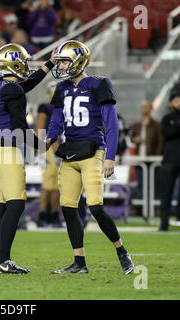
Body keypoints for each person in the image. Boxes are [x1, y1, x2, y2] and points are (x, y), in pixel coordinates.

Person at [46, 40, 134, 275]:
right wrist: (48, 139)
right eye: (61, 61)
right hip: (69, 152)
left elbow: (112, 124)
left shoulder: (99, 84)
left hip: (93, 152)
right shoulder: (62, 88)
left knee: (95, 206)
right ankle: (79, 262)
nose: (62, 65)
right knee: (67, 207)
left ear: (79, 61)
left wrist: (110, 157)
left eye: (65, 60)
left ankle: (122, 252)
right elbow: (56, 122)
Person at [0, 43, 56, 274]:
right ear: (13, 62)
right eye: (23, 62)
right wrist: (41, 146)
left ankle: (0, 259)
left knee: (0, 206)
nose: (26, 66)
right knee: (16, 204)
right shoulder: (11, 89)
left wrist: (49, 65)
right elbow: (19, 126)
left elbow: (24, 86)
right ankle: (3, 260)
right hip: (8, 152)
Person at [35, 80, 62, 228]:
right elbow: (40, 127)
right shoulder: (45, 107)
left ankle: (53, 215)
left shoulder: (63, 106)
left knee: (57, 185)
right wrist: (40, 148)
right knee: (47, 184)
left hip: (62, 147)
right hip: (49, 147)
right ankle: (43, 215)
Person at [130, 101, 163, 200]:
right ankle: (141, 207)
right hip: (139, 158)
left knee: (153, 183)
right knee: (141, 183)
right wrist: (135, 139)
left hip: (152, 158)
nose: (143, 109)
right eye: (142, 107)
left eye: (146, 107)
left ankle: (152, 206)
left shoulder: (156, 124)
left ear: (151, 109)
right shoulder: (137, 124)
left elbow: (160, 141)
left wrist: (157, 155)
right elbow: (132, 137)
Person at [159, 88, 180, 231]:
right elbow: (166, 132)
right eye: (177, 100)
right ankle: (164, 224)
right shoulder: (167, 118)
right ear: (171, 102)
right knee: (166, 193)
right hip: (169, 160)